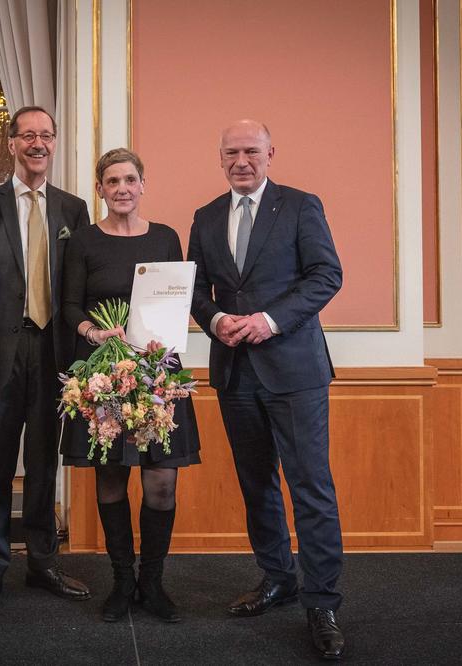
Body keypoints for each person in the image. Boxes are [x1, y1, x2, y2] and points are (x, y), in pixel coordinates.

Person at [187, 120, 345, 660]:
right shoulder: (206, 217)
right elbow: (195, 291)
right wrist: (215, 322)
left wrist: (270, 321)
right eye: (231, 152)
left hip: (294, 370)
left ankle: (322, 603)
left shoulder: (301, 206)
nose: (241, 161)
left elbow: (326, 276)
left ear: (271, 153)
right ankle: (278, 578)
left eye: (251, 151)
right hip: (234, 371)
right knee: (257, 485)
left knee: (311, 489)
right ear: (221, 158)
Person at [0, 106, 91, 616]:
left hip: (54, 355)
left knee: (43, 463)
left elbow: (78, 290)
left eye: (46, 135)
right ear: (10, 143)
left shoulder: (72, 209)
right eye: (28, 135)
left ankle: (42, 562)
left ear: (55, 144)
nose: (38, 143)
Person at [61, 148, 201, 623]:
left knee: (162, 481)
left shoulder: (165, 238)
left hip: (158, 370)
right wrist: (95, 334)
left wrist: (165, 338)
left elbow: (179, 302)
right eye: (112, 181)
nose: (122, 188)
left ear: (143, 185)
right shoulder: (82, 242)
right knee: (111, 477)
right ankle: (122, 581)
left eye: (130, 180)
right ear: (99, 189)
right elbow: (69, 307)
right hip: (103, 370)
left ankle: (152, 584)